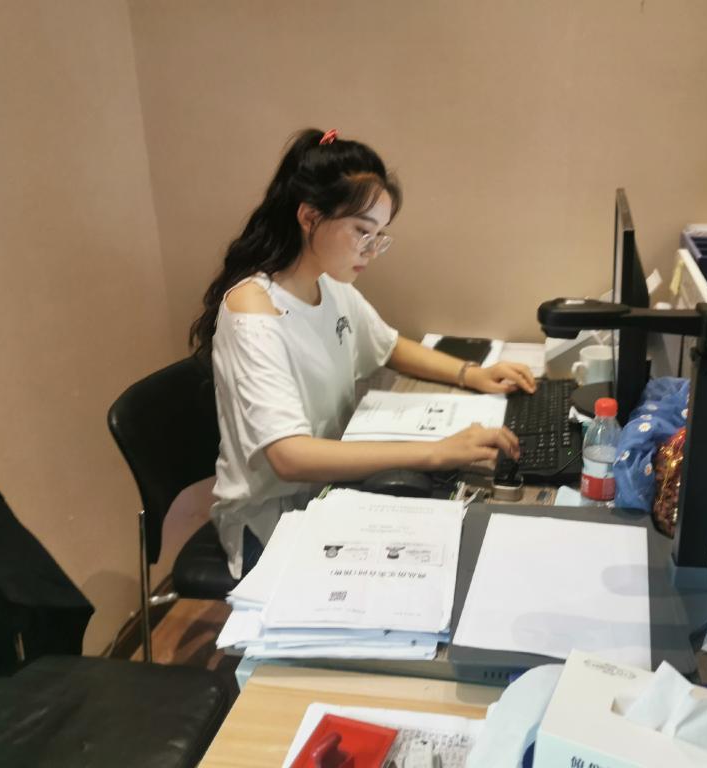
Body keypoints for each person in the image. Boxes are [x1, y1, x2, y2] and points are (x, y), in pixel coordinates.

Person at [190, 128, 536, 578]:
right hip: (273, 520)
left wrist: (472, 374)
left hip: (330, 489)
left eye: (379, 236)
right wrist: (435, 452)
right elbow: (290, 457)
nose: (372, 250)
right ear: (309, 216)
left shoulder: (329, 283)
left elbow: (388, 345)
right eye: (361, 232)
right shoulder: (254, 311)